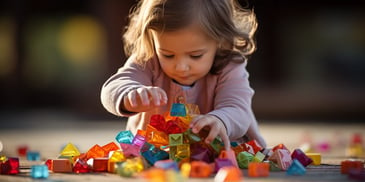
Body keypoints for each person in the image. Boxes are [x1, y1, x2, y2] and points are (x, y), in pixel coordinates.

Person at [100, 0, 266, 150]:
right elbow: (112, 88)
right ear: (152, 40)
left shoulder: (229, 66)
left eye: (195, 56)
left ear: (221, 41)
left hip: (219, 151)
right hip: (152, 152)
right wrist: (129, 94)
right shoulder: (148, 59)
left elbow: (238, 109)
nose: (180, 67)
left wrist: (221, 120)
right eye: (168, 55)